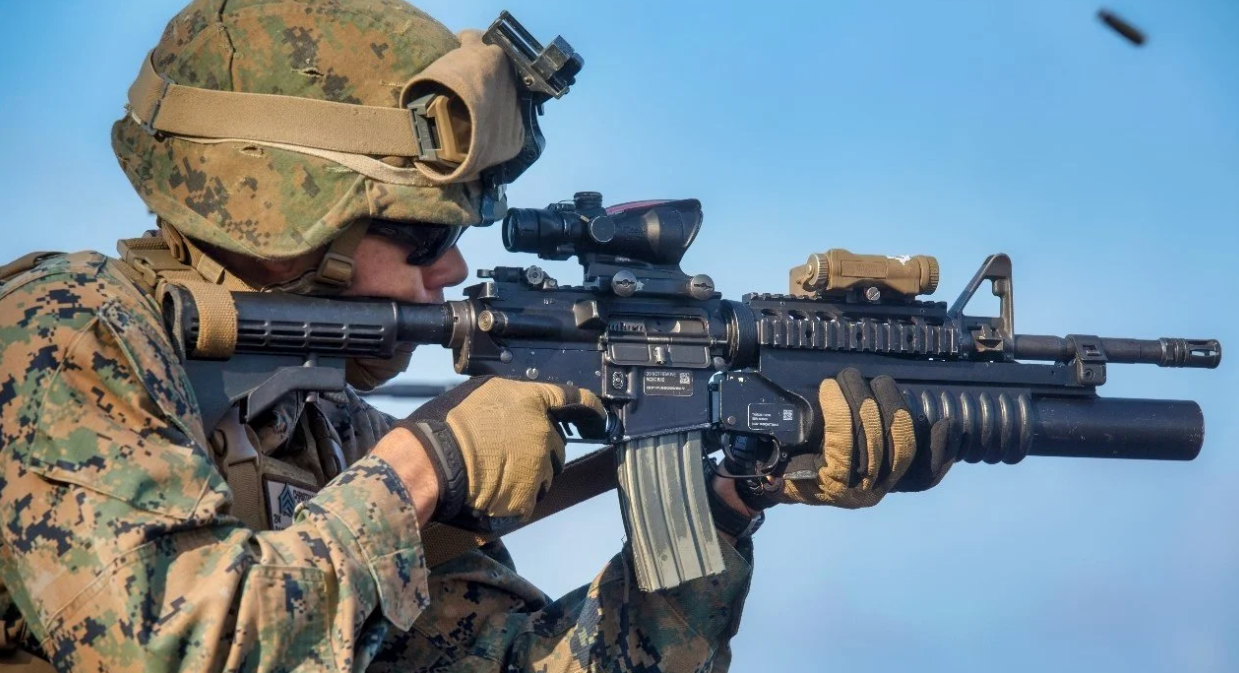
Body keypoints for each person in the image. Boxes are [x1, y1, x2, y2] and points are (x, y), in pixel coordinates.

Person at [0, 1, 957, 671]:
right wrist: (425, 467)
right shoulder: (64, 332)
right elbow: (168, 645)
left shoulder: (322, 428)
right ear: (289, 214)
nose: (450, 271)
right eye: (421, 236)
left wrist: (724, 504)